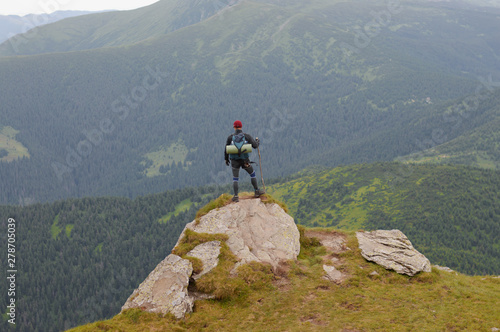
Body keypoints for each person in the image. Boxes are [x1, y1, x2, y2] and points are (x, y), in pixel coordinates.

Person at [225, 120, 265, 202]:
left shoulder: (230, 138)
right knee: (252, 173)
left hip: (234, 161)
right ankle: (256, 191)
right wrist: (257, 142)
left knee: (235, 178)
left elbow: (226, 150)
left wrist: (226, 159)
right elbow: (255, 146)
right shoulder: (247, 136)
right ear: (241, 126)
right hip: (245, 161)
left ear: (234, 127)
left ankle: (236, 196)